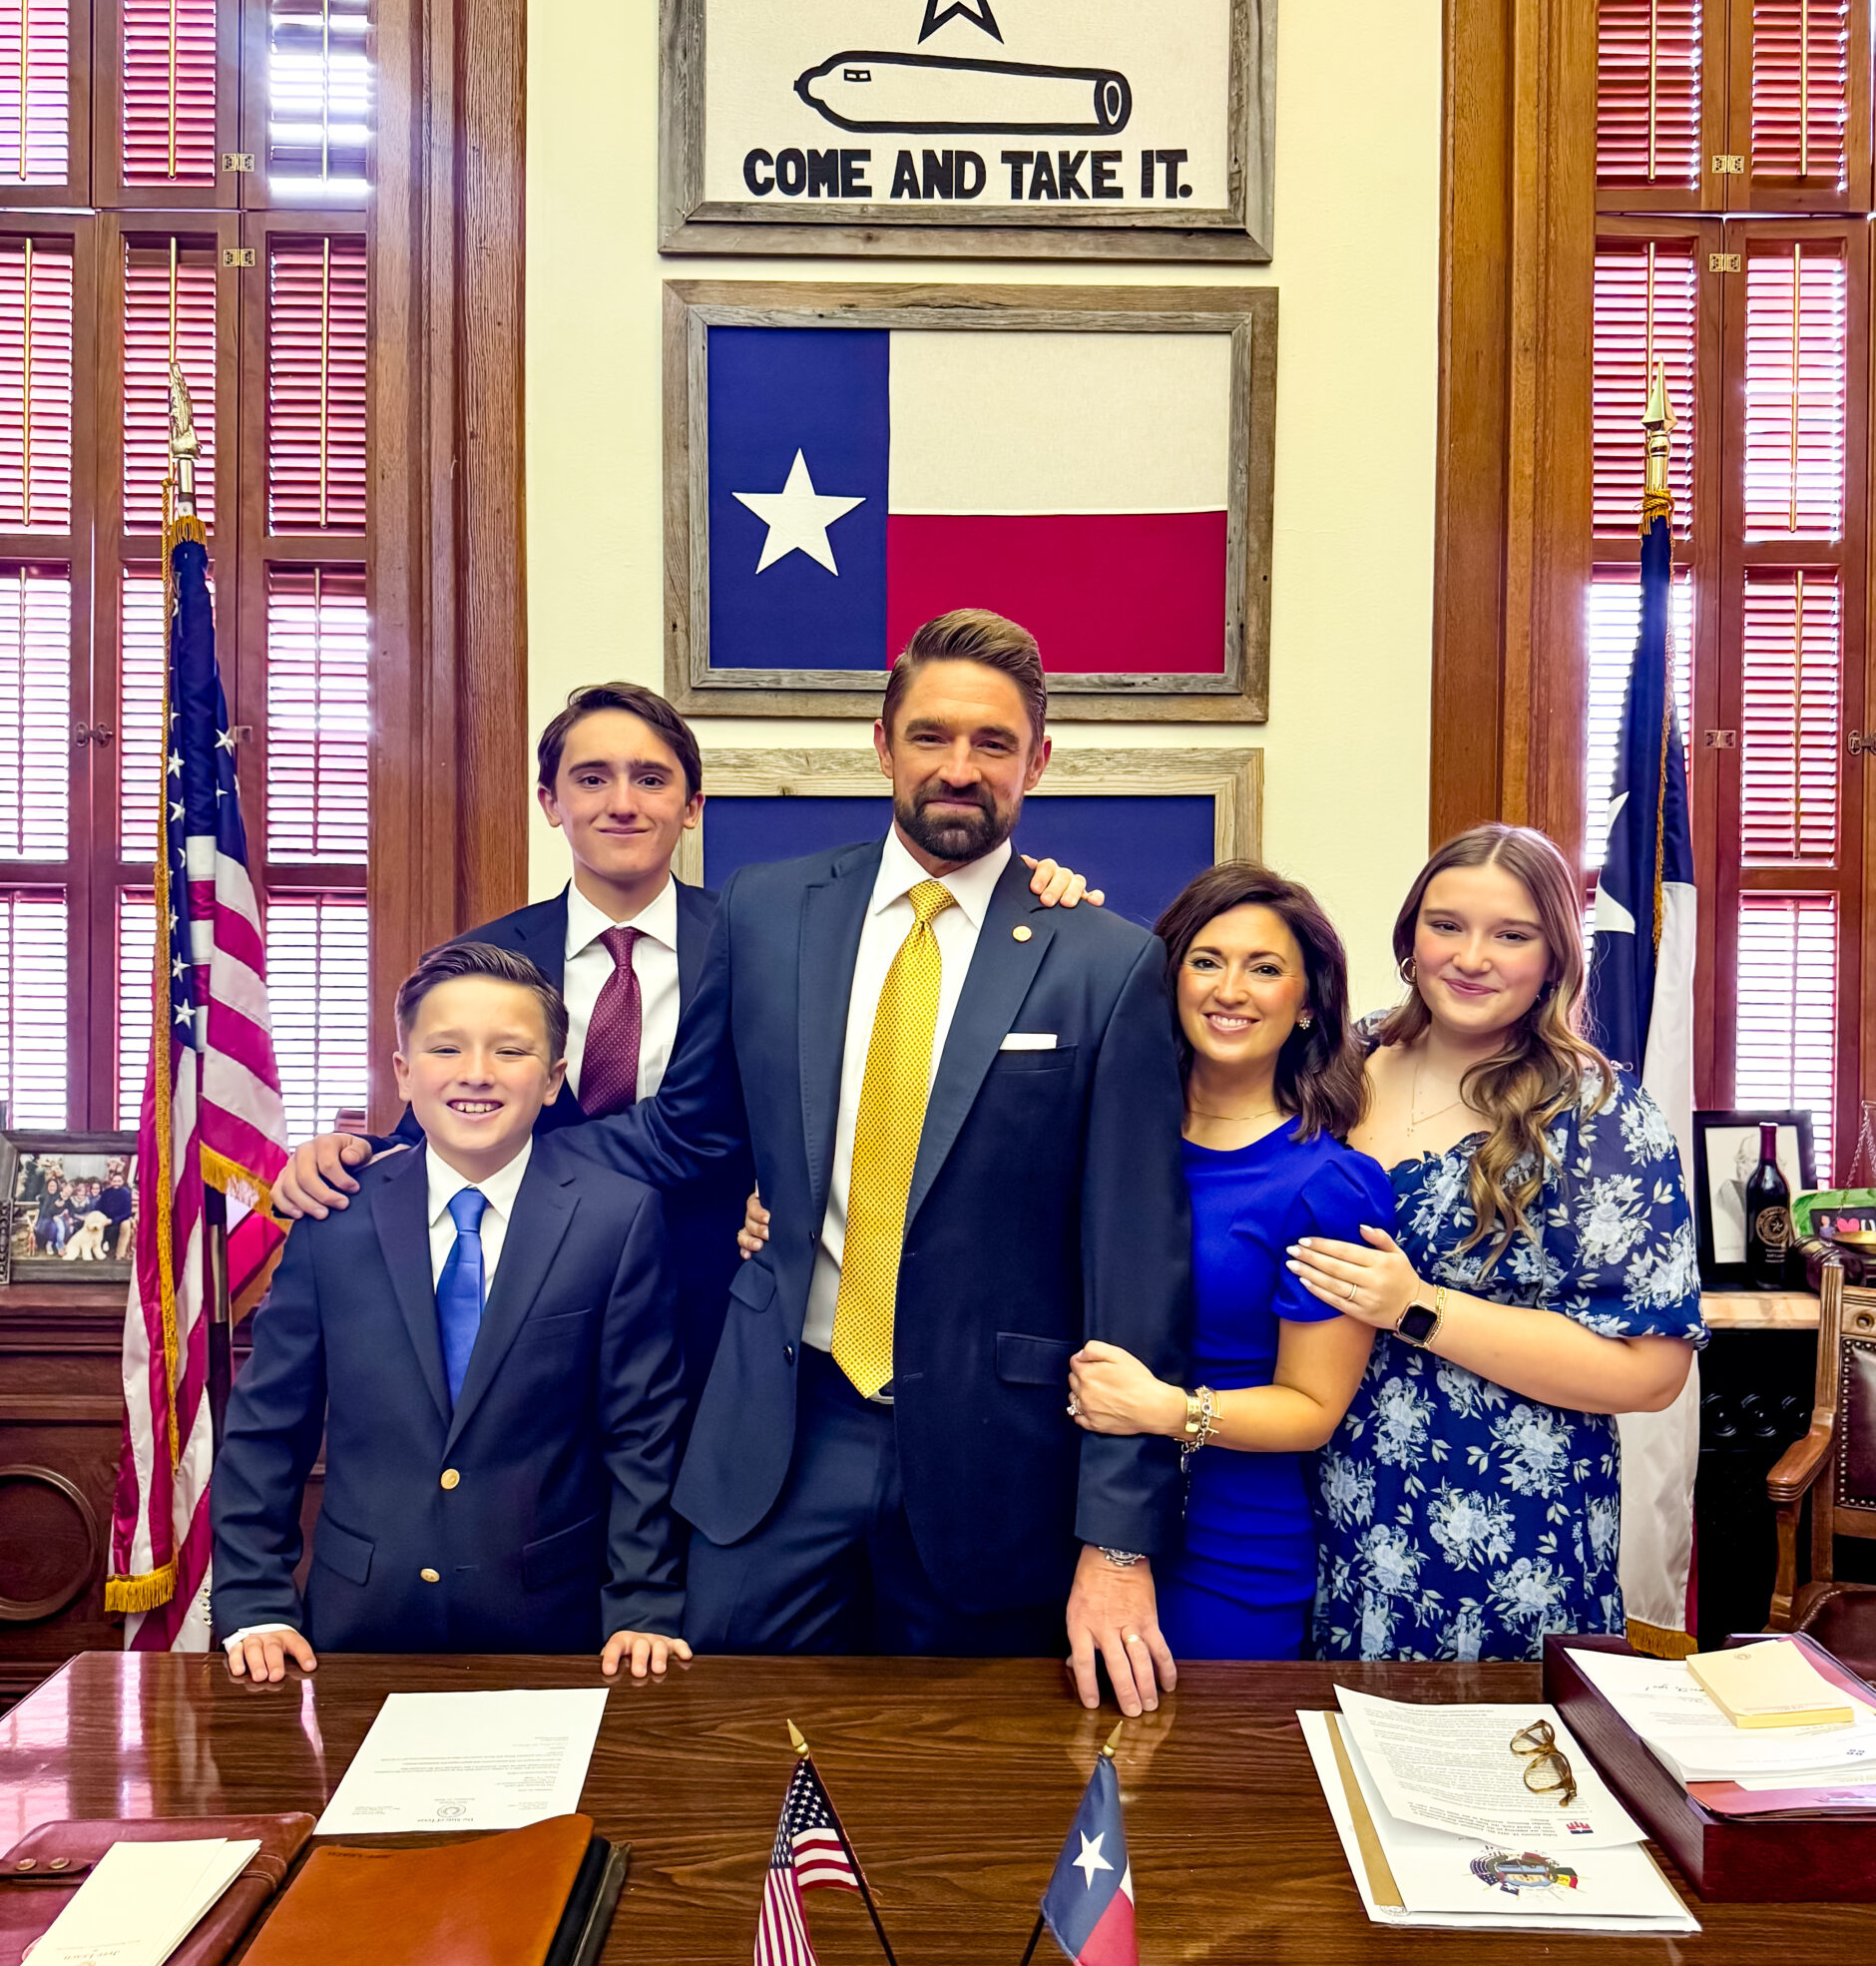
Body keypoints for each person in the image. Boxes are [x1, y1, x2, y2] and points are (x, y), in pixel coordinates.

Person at [281, 610, 1192, 1711]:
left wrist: (1118, 1544)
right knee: (717, 1748)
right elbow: (688, 1128)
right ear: (882, 743)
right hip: (777, 1429)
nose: (960, 767)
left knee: (977, 1787)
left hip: (996, 1464)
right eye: (933, 736)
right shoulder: (770, 914)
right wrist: (406, 1153)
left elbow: (1134, 1269)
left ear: (1038, 760)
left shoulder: (1104, 959)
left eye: (994, 743)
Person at [275, 681, 1097, 1394]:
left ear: (693, 806)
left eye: (651, 779)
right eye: (591, 779)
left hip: (715, 1314)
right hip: (522, 1316)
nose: (621, 802)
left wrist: (1027, 894)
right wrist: (351, 1154)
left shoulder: (769, 937)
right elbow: (447, 1132)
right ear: (550, 801)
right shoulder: (475, 963)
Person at [214, 941, 692, 1682]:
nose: (476, 1073)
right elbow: (269, 1426)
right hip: (356, 1623)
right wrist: (256, 1601)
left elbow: (642, 1435)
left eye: (510, 1050)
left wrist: (642, 1603)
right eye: (446, 1048)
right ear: (404, 1072)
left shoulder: (616, 1218)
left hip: (552, 1625)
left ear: (554, 1078)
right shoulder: (334, 1217)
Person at [1288, 823, 1705, 1662]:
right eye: (1446, 925)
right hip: (1316, 1496)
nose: (1471, 957)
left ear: (1554, 956)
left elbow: (1653, 1373)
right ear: (1409, 936)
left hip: (1507, 1530)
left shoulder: (1597, 1113)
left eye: (1510, 935)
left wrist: (1419, 1307)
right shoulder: (1335, 1057)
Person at [1057, 866, 1394, 1658]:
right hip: (1060, 1525)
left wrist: (1168, 1410)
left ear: (1308, 1004)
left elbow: (1312, 1407)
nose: (1230, 989)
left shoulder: (1329, 1186)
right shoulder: (1092, 1139)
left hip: (1227, 1552)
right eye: (1206, 960)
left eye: (1266, 968)